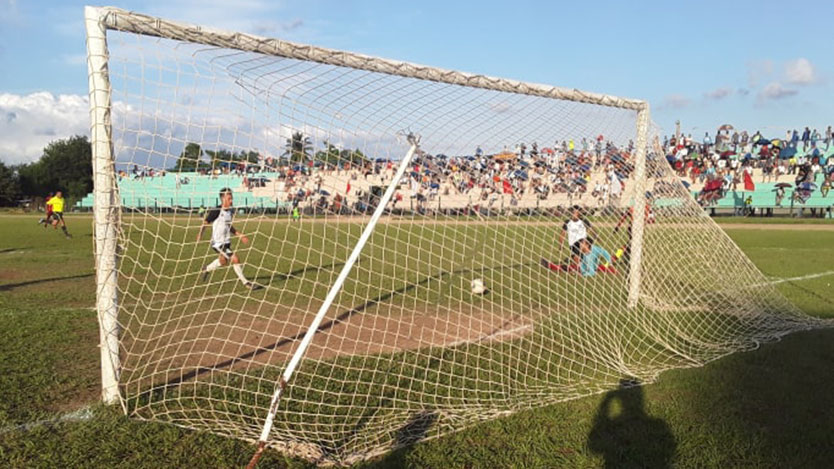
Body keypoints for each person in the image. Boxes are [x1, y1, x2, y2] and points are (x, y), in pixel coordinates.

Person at [197, 188, 257, 289]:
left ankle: (206, 269)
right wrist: (200, 234)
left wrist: (240, 235)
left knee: (223, 261)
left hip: (226, 241)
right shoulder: (216, 211)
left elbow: (229, 227)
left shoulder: (230, 212)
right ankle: (246, 283)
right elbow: (205, 222)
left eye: (231, 198)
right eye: (229, 198)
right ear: (223, 199)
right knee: (235, 259)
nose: (231, 200)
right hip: (218, 243)